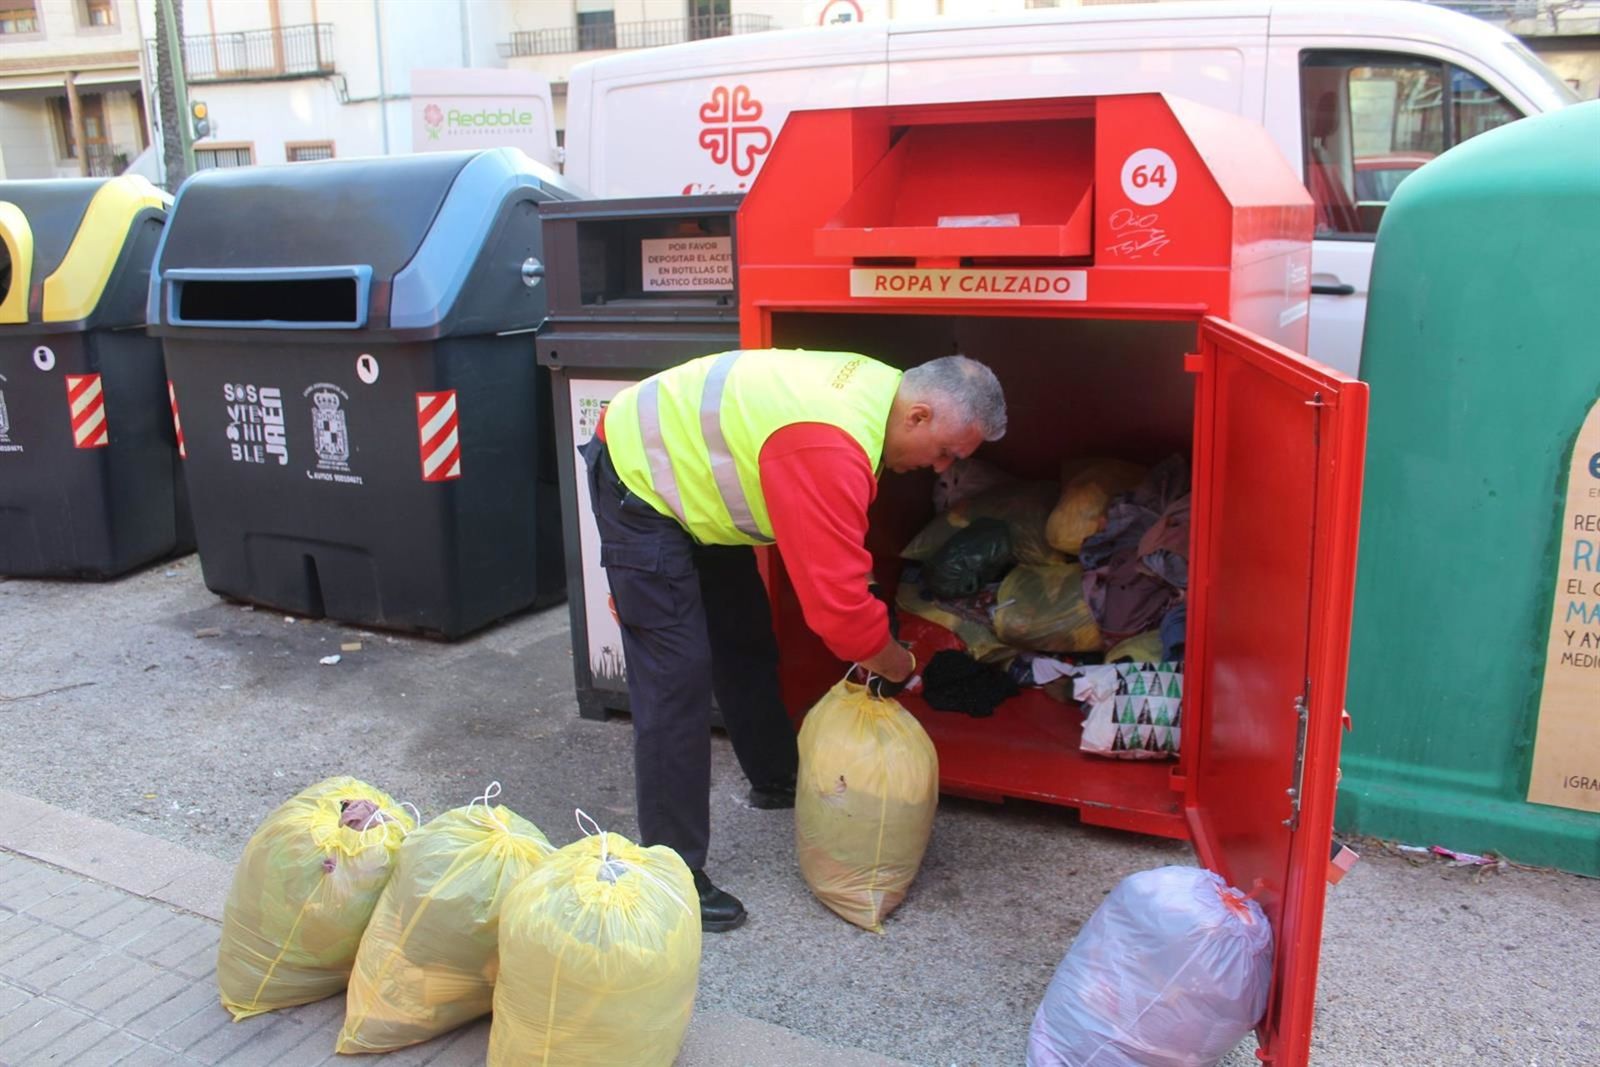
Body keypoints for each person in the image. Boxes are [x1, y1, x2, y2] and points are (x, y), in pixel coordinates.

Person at [581, 349, 1007, 931]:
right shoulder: (830, 442)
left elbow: (843, 555)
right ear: (920, 415)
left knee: (744, 637)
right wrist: (896, 663)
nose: (940, 469)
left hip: (695, 490)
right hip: (640, 480)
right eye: (944, 453)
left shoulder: (878, 398)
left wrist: (874, 612)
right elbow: (837, 615)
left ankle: (776, 777)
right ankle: (669, 871)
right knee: (674, 677)